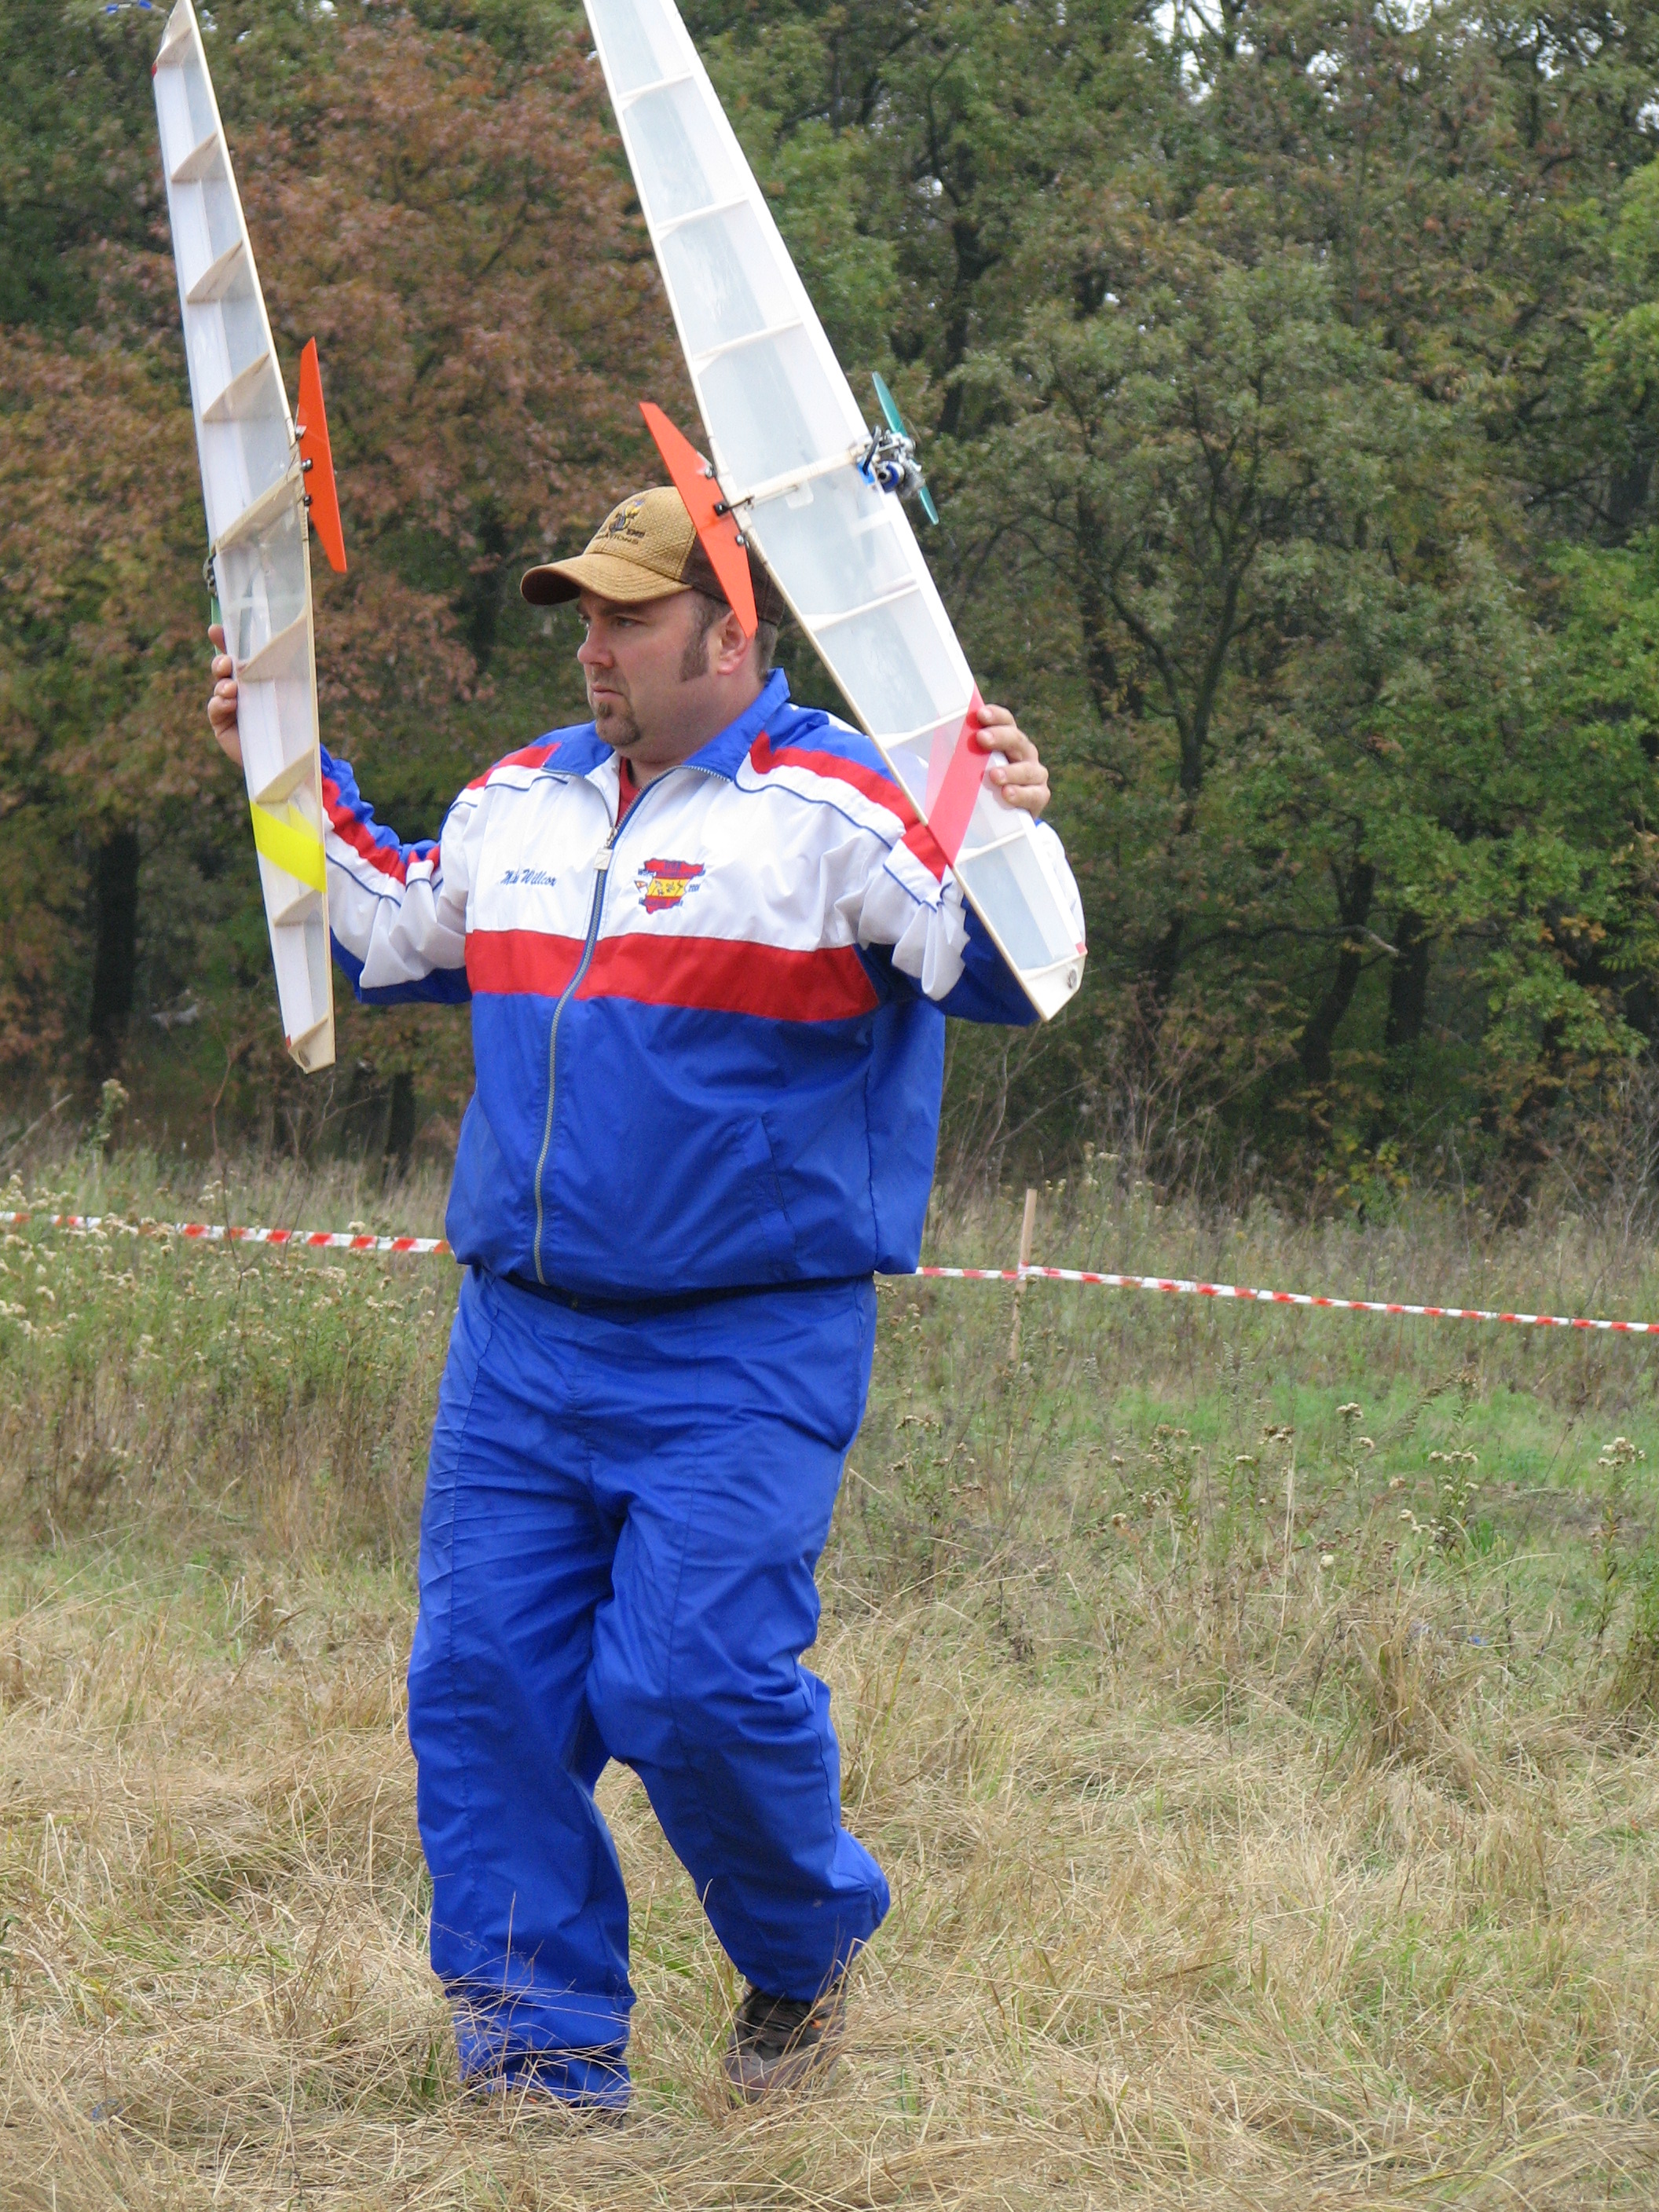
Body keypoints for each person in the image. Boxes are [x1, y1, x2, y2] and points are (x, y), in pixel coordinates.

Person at [207, 485, 1084, 2109]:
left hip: (748, 1345)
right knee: (486, 1696)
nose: (593, 649)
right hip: (520, 1344)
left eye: (629, 617)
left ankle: (803, 1960)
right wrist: (282, 773)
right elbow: (384, 919)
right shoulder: (519, 800)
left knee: (692, 1684)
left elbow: (1013, 968)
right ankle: (539, 2070)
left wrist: (1009, 829)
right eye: (585, 618)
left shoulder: (842, 804)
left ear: (730, 632)